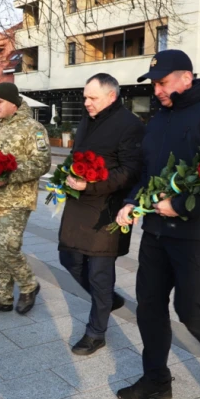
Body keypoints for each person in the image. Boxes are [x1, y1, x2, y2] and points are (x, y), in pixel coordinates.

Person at [115, 50, 200, 399]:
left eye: (162, 82)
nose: (157, 90)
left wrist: (178, 205)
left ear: (186, 77)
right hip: (157, 231)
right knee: (149, 305)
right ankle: (156, 381)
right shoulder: (161, 118)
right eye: (154, 84)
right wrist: (132, 202)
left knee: (192, 310)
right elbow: (149, 173)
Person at [58, 73, 145, 356]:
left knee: (98, 273)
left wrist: (93, 184)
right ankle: (107, 299)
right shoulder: (88, 120)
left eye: (92, 98)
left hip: (108, 208)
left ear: (112, 96)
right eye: (85, 97)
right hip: (79, 205)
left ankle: (96, 332)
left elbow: (131, 171)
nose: (86, 103)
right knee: (68, 258)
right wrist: (68, 176)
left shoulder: (130, 125)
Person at [0, 82, 51, 315]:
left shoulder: (32, 128)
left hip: (18, 199)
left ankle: (29, 285)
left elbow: (42, 163)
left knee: (8, 246)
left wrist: (9, 177)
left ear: (13, 104)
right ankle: (2, 298)